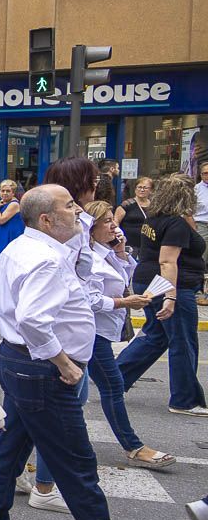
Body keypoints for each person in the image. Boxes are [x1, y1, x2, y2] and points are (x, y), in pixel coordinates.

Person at [0, 185, 175, 520]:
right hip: (43, 371)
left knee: (11, 447)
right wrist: (62, 361)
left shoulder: (26, 247)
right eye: (70, 206)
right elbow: (33, 319)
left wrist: (14, 325)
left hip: (19, 362)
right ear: (46, 219)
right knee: (77, 464)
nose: (79, 212)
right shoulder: (45, 258)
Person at [81, 200, 172, 468]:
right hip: (91, 332)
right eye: (107, 221)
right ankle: (133, 446)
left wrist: (120, 252)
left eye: (113, 219)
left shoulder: (105, 251)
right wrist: (124, 303)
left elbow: (124, 278)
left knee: (70, 397)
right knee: (112, 386)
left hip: (102, 331)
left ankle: (15, 452)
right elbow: (90, 299)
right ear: (92, 227)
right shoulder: (89, 258)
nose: (114, 225)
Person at [116, 174, 208, 417]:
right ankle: (184, 399)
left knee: (156, 335)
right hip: (171, 284)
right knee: (182, 341)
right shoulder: (175, 223)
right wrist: (171, 296)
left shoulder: (155, 218)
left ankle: (116, 378)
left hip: (149, 278)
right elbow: (168, 262)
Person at [115, 176, 154, 251]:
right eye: (139, 187)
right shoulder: (126, 205)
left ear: (151, 190)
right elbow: (116, 221)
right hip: (130, 245)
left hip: (147, 245)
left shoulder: (154, 206)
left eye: (145, 188)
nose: (142, 190)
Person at [196, 162, 208, 302]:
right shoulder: (196, 189)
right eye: (205, 173)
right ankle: (199, 289)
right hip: (201, 224)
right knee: (201, 258)